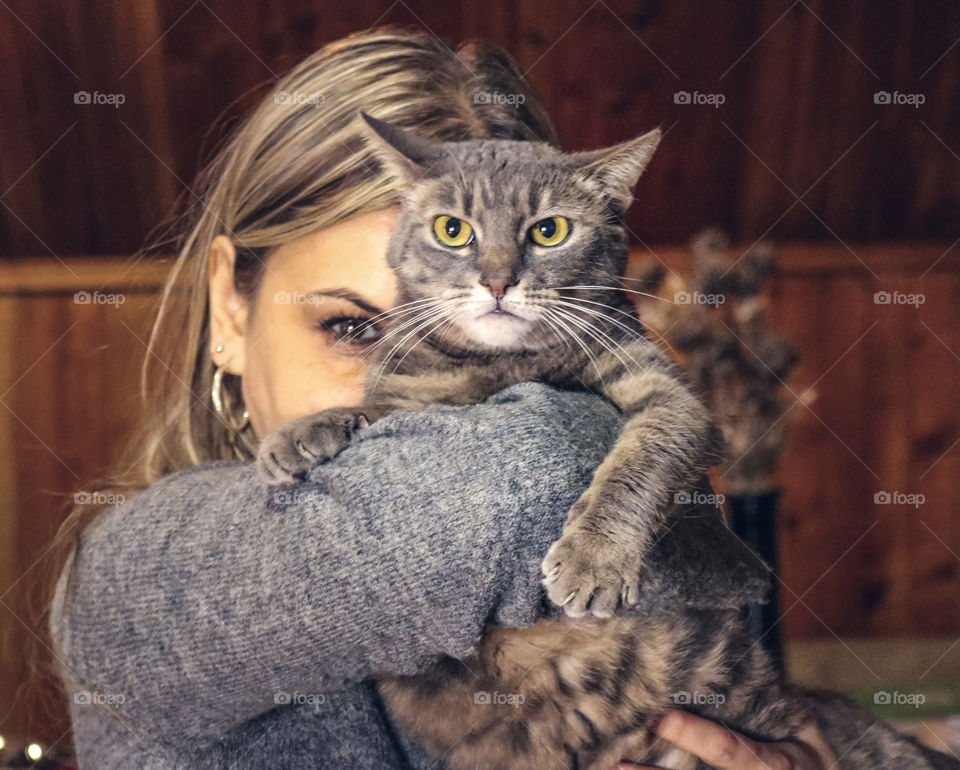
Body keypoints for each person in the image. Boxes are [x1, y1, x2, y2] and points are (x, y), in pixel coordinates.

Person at [43, 27, 854, 769]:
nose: (423, 369)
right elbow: (524, 472)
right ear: (229, 306)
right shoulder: (132, 574)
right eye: (353, 328)